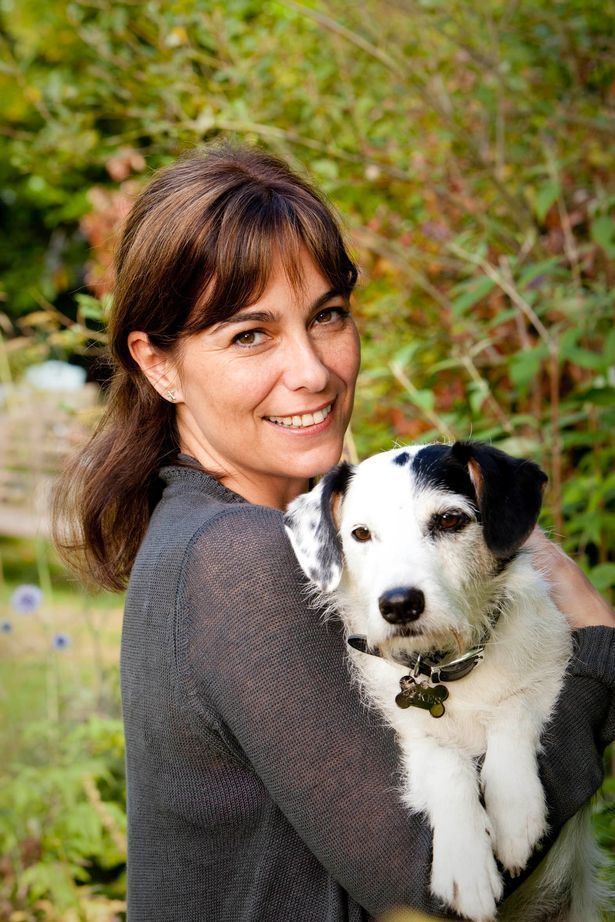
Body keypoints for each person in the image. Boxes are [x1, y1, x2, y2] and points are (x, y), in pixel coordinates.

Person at [54, 143, 615, 922]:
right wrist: (595, 652)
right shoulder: (239, 556)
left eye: (327, 316)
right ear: (160, 366)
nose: (313, 371)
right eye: (250, 335)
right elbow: (432, 891)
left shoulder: (211, 533)